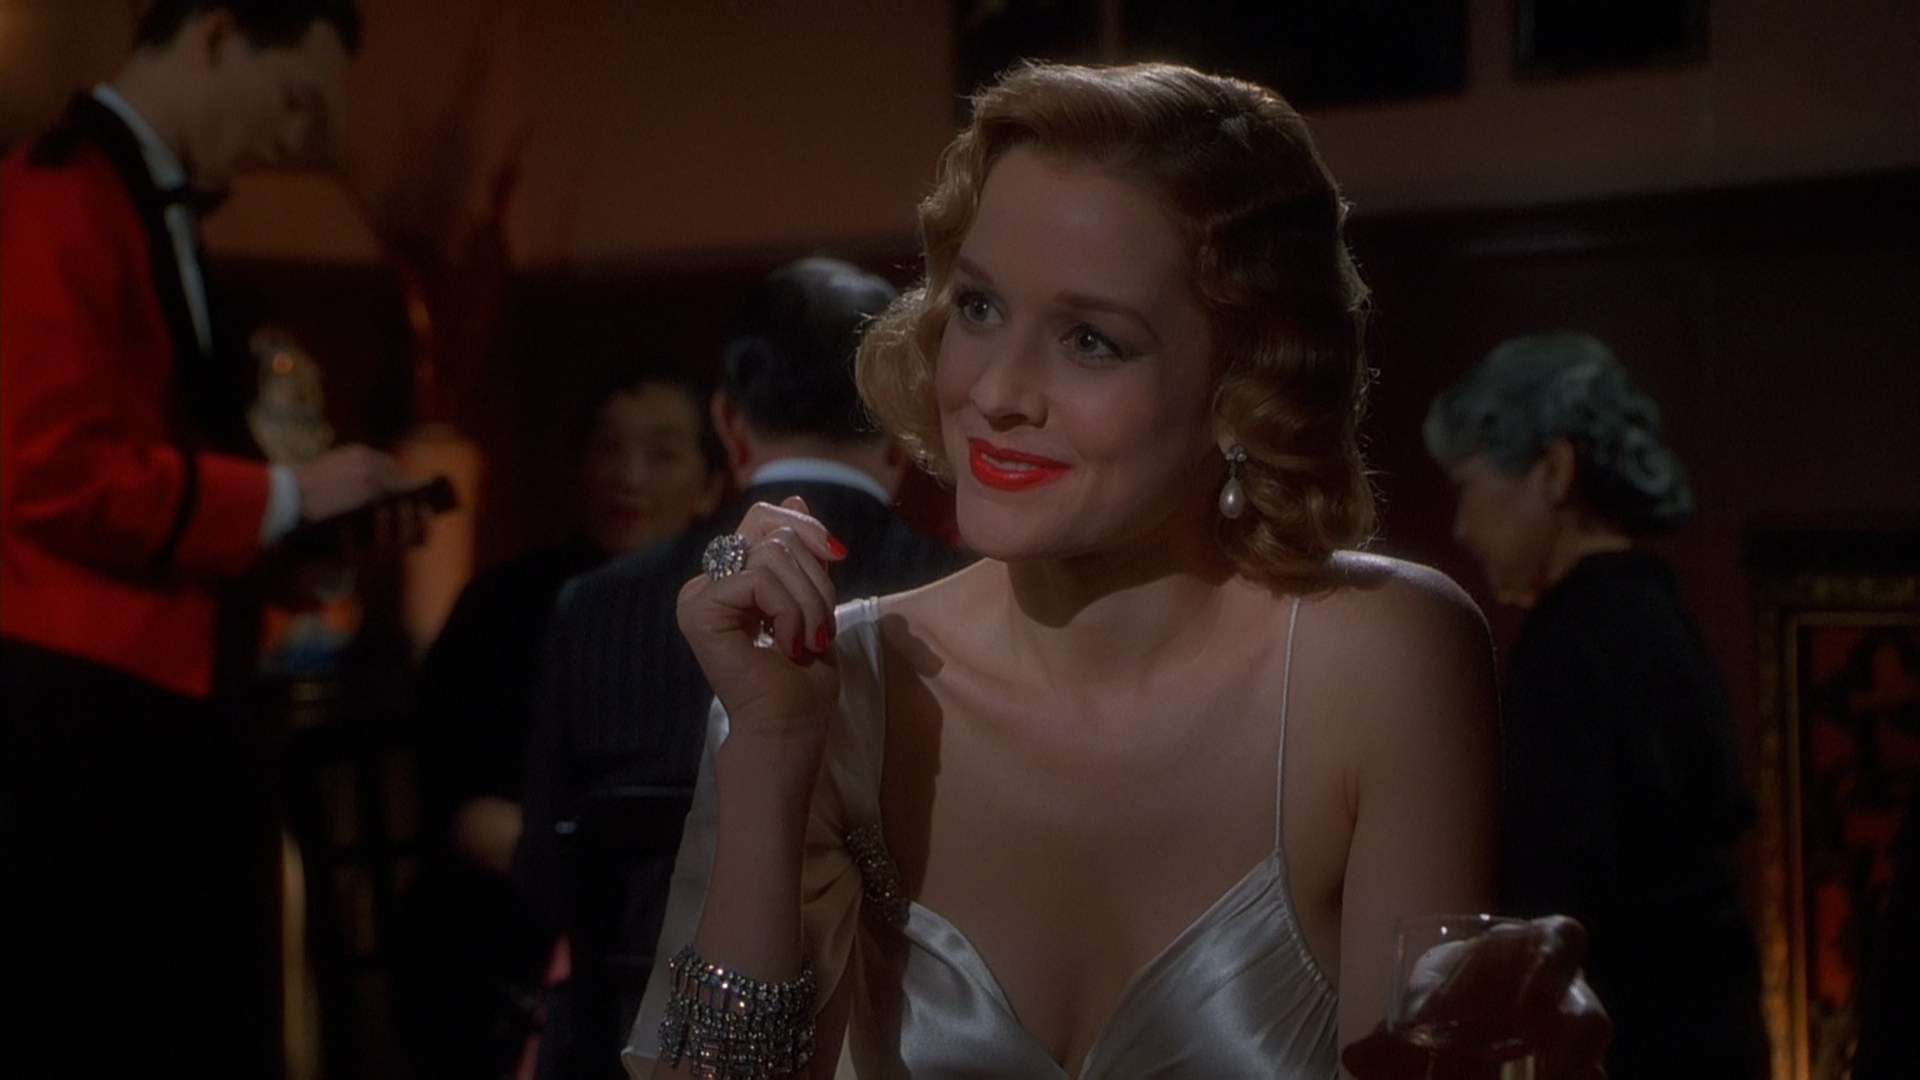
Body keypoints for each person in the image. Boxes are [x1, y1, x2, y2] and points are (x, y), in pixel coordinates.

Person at [627, 63, 1604, 1080]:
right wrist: (771, 756)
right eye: (979, 307)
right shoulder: (829, 680)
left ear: (1246, 384)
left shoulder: (1381, 659)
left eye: (1091, 340)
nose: (998, 391)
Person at [0, 1, 427, 1077]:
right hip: (80, 718)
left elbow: (157, 470)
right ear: (216, 36)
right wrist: (286, 493)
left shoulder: (139, 203)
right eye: (294, 99)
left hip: (165, 711)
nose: (292, 138)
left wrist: (305, 545)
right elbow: (47, 473)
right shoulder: (55, 193)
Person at [517, 257, 970, 1079]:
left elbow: (544, 882)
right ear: (903, 428)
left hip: (607, 1044)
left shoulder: (596, 608)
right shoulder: (963, 602)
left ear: (728, 424)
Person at [1425, 330, 1769, 1078]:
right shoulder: (1659, 622)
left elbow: (1554, 904)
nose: (1462, 527)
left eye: (1469, 485)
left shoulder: (1571, 646)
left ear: (1554, 470)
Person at [396, 366, 727, 1079]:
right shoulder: (506, 606)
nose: (628, 477)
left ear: (711, 485)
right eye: (608, 449)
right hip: (519, 917)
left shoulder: (730, 613)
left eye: (662, 454)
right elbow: (468, 814)